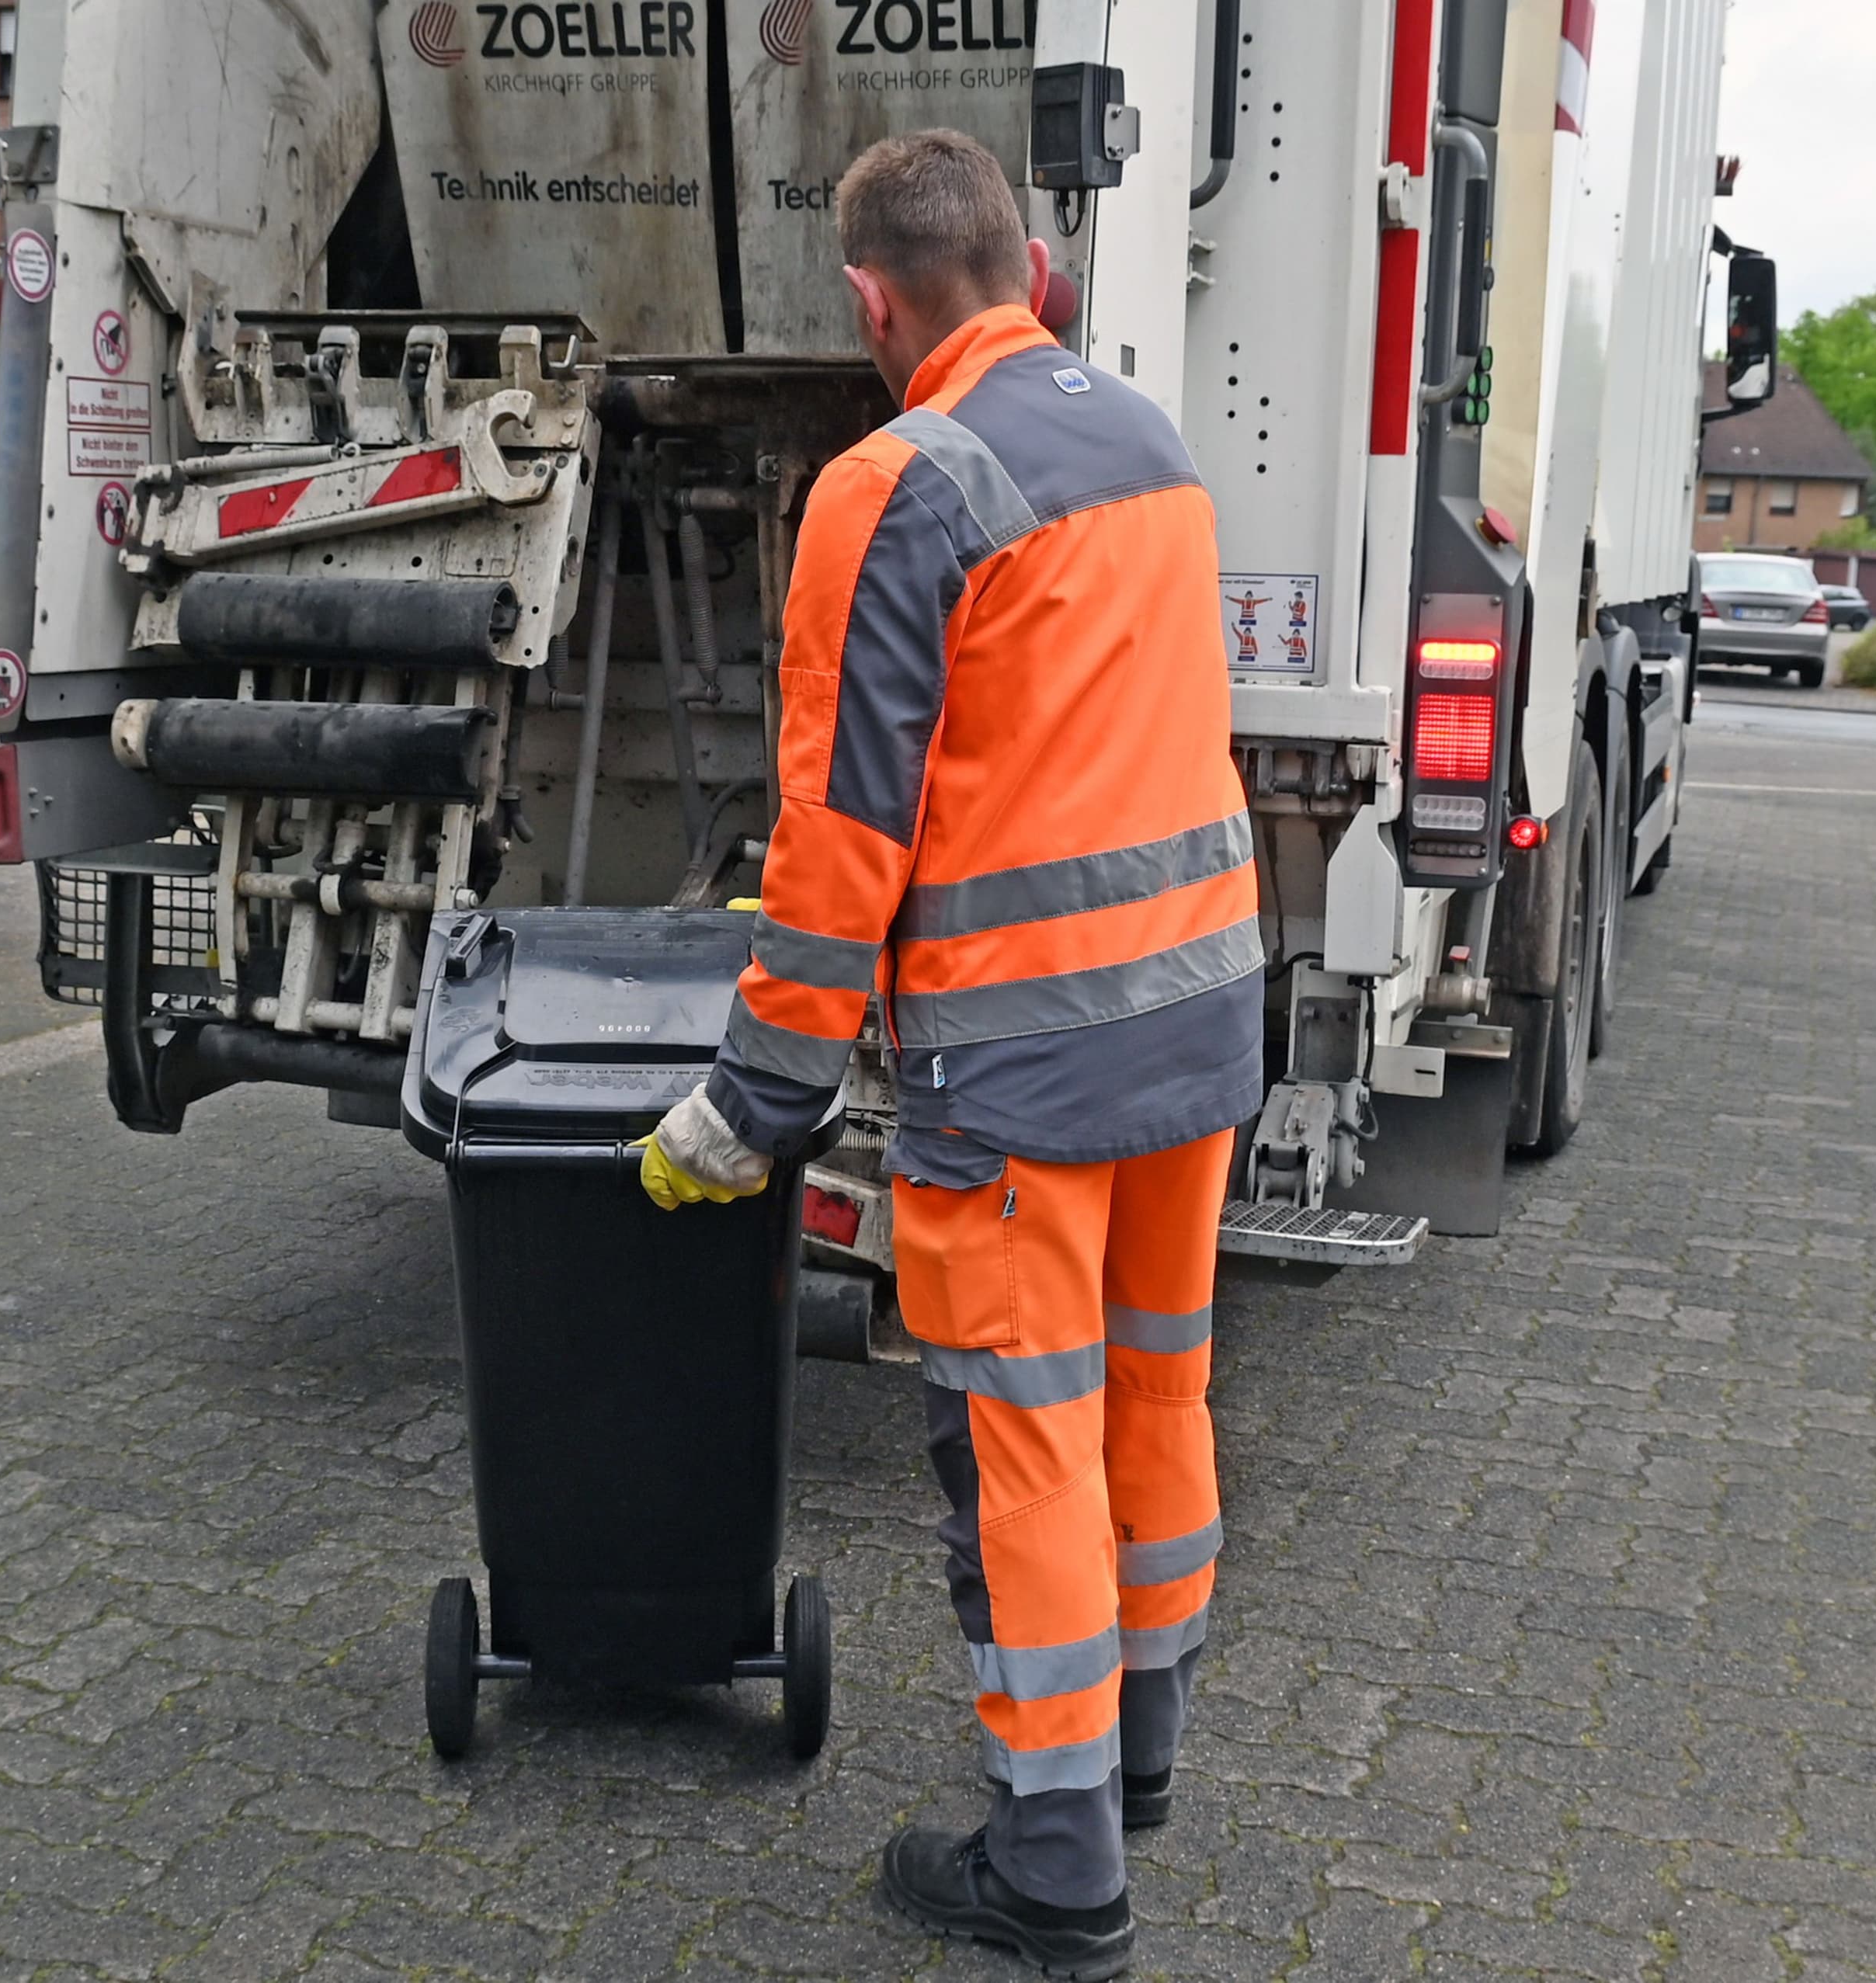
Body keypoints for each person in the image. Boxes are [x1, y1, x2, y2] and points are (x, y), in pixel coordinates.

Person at [635, 128, 1260, 1981]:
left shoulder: (893, 485)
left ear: (874, 299)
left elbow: (840, 834)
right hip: (1196, 1019)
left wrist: (753, 1100)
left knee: (1026, 1444)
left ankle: (1055, 1865)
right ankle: (1136, 1758)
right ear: (1037, 266)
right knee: (1157, 1393)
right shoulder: (1154, 445)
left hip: (1026, 1072)